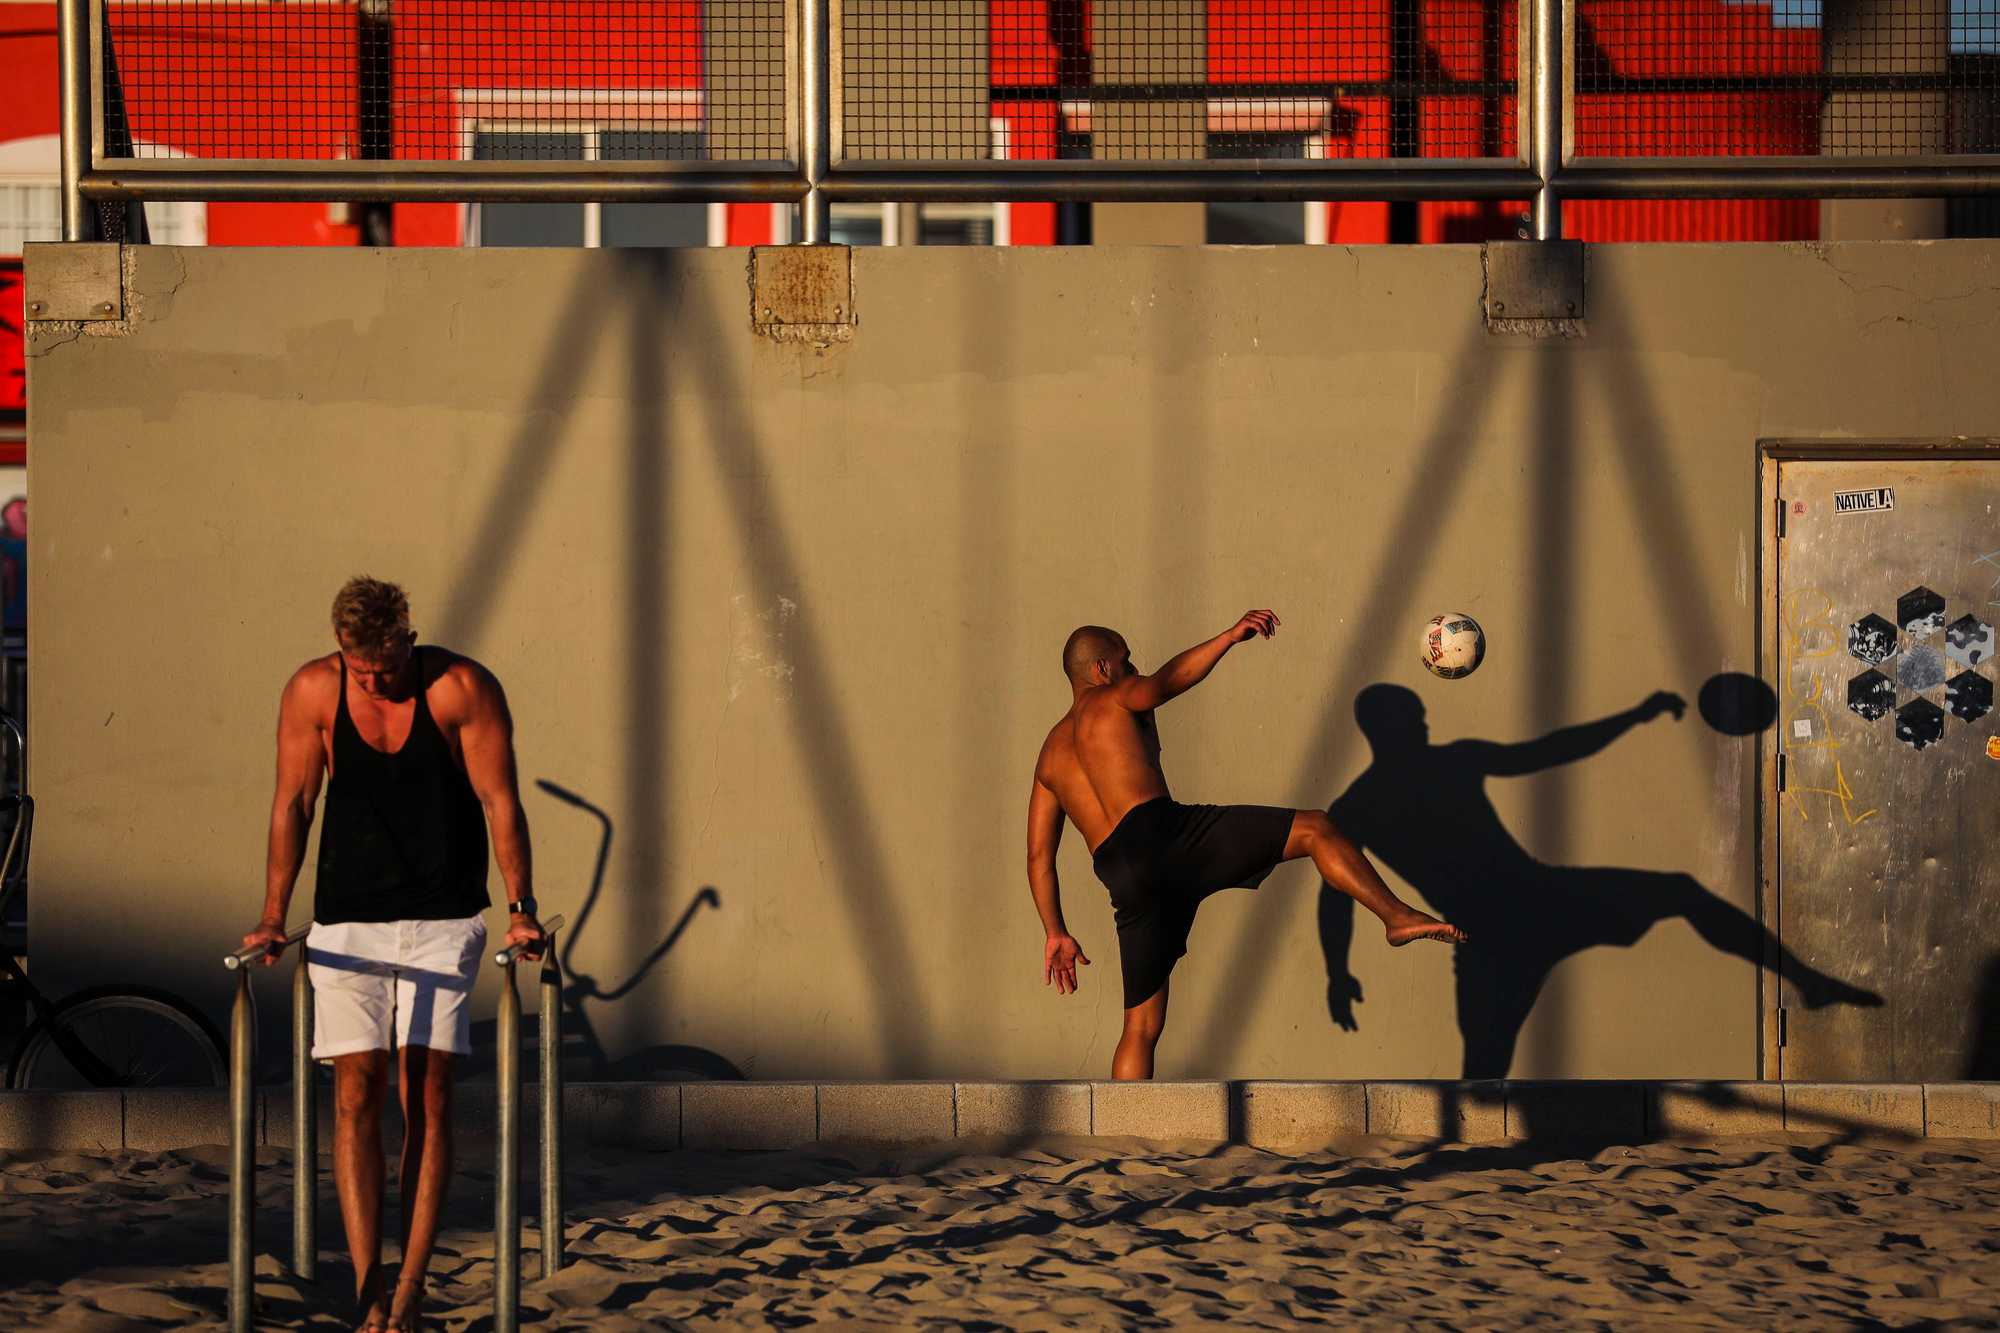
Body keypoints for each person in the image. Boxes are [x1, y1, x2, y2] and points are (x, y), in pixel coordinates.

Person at [241, 577, 544, 1333]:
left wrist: (521, 909)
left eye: (384, 665)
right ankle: (366, 1287)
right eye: (359, 666)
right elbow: (292, 802)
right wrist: (275, 914)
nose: (373, 680)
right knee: (354, 1095)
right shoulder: (314, 690)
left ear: (406, 638)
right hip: (349, 922)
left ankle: (409, 1288)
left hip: (443, 918)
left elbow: (500, 799)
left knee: (427, 1095)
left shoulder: (459, 688)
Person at [1027, 611, 1465, 1079]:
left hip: (1122, 875)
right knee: (1316, 828)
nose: (1133, 668)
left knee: (1140, 1025)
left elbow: (1038, 857)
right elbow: (1165, 683)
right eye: (1126, 660)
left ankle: (1119, 1135)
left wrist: (1055, 931)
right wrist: (1230, 637)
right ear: (1102, 670)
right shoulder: (1114, 698)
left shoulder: (1050, 755)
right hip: (1163, 834)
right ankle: (1395, 917)